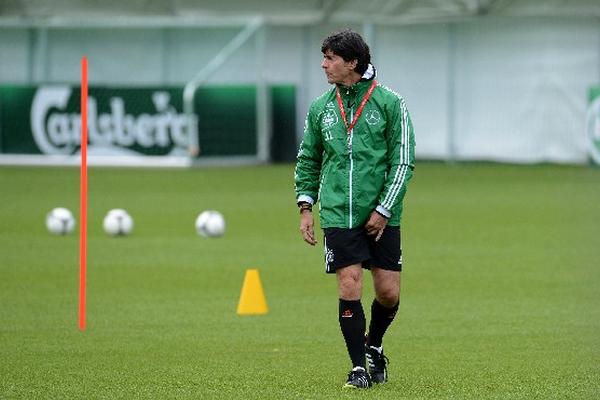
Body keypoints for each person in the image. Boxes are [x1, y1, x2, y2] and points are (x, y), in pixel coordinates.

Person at [294, 29, 415, 389]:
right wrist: (305, 205)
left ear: (353, 63)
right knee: (349, 285)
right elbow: (308, 158)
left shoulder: (390, 103)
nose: (324, 64)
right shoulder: (320, 108)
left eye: (331, 58)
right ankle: (358, 368)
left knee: (388, 292)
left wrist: (384, 209)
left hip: (381, 215)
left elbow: (403, 161)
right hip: (336, 212)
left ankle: (374, 344)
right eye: (324, 57)